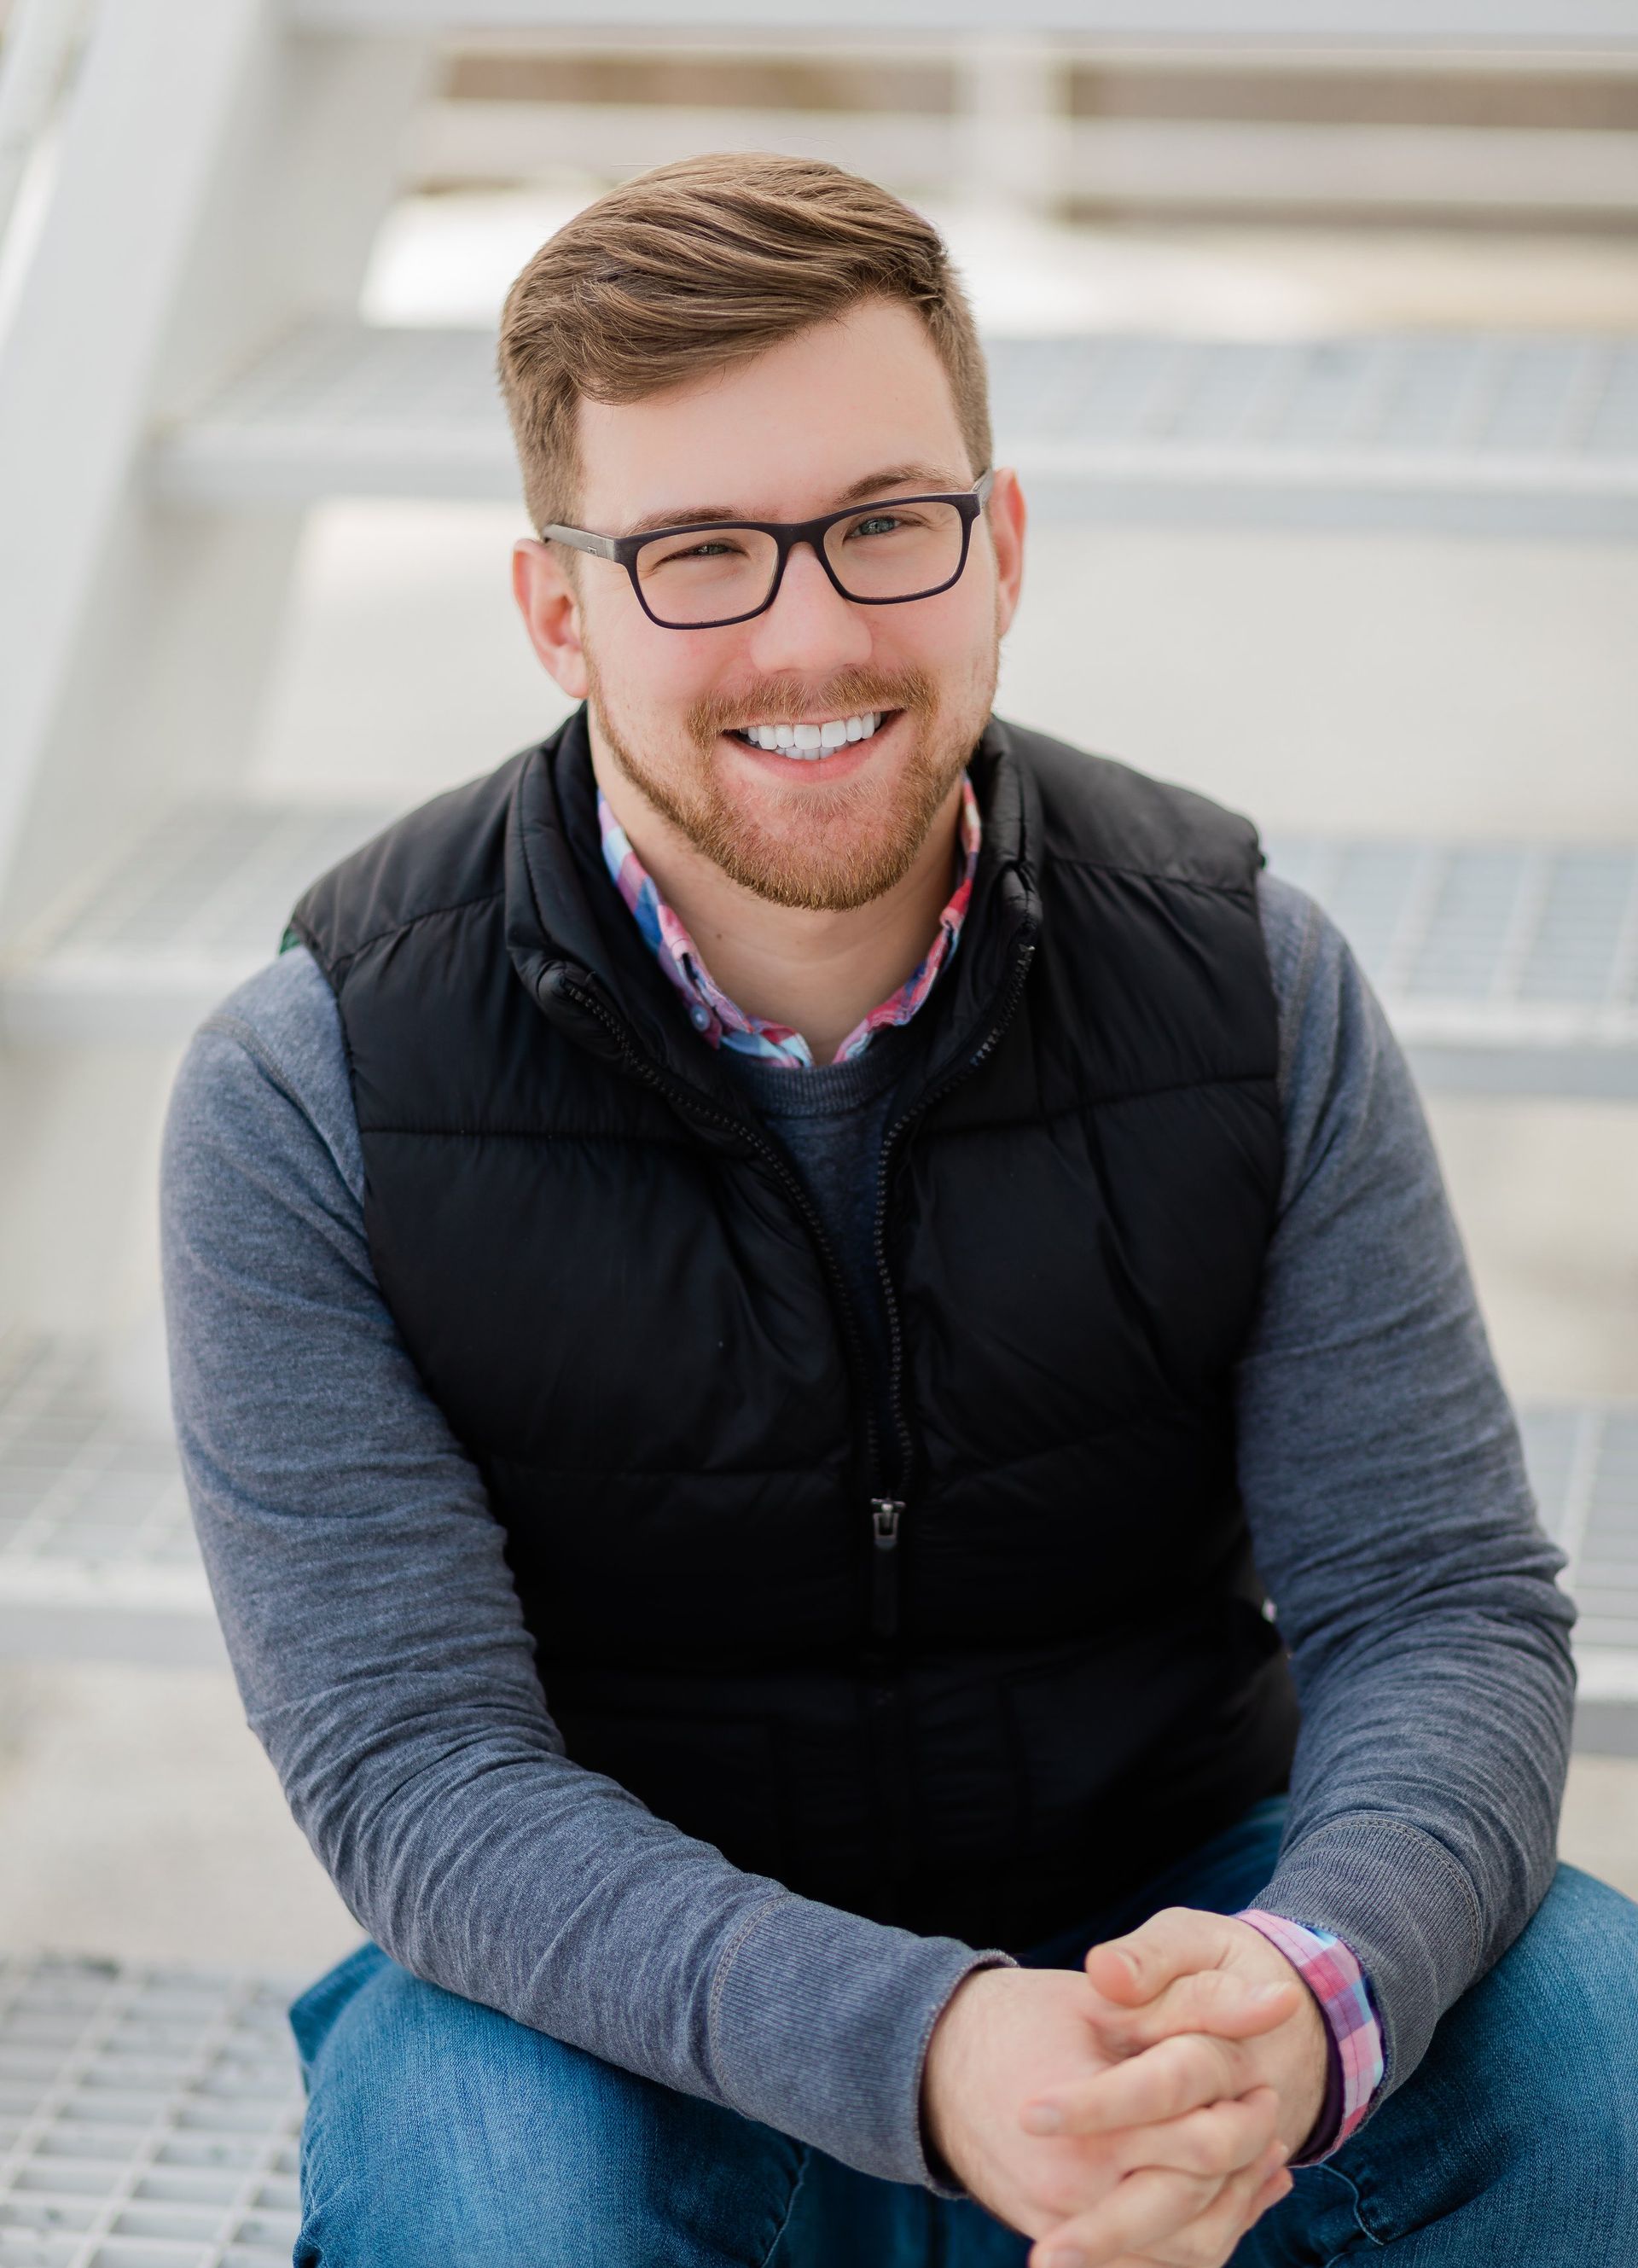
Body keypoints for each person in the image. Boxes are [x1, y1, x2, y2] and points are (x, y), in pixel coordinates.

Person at [160, 153, 1638, 2268]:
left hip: (1170, 1940)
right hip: (642, 2005)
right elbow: (420, 1772)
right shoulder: (310, 1090)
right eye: (696, 554)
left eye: (884, 524)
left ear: (1002, 545)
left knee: (1592, 2039)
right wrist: (926, 2045)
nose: (811, 629)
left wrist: (1312, 1993)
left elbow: (1437, 1602)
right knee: (481, 2172)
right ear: (556, 610)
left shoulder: (1249, 981)